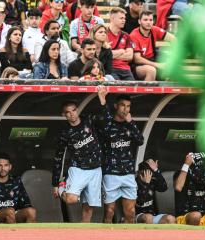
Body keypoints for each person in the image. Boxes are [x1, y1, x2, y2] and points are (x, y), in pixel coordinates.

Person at [52, 87, 107, 222]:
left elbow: (106, 120)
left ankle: (84, 232)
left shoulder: (89, 120)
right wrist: (55, 183)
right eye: (68, 112)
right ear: (63, 115)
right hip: (78, 169)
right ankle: (61, 188)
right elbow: (58, 157)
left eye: (74, 110)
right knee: (71, 199)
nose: (72, 114)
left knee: (89, 207)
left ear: (77, 110)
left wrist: (102, 100)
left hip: (95, 169)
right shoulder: (65, 132)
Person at [98, 87, 144, 223]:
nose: (126, 109)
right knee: (109, 211)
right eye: (123, 105)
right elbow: (104, 118)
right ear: (116, 106)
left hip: (128, 173)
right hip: (111, 173)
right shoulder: (108, 123)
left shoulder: (130, 125)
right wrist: (102, 100)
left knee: (130, 212)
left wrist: (131, 123)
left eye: (128, 106)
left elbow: (140, 140)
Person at [0, 152, 36, 223]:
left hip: (14, 213)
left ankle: (29, 234)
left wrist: (24, 211)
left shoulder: (16, 180)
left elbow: (26, 203)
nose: (3, 168)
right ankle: (13, 233)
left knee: (31, 211)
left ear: (10, 167)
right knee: (9, 212)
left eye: (6, 165)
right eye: (0, 165)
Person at [130, 10, 175, 81]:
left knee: (173, 67)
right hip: (138, 66)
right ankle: (147, 92)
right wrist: (157, 65)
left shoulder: (154, 29)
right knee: (151, 70)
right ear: (139, 21)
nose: (148, 22)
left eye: (150, 20)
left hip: (152, 59)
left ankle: (169, 92)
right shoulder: (134, 35)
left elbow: (173, 39)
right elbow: (137, 59)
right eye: (145, 20)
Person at [135, 159, 176, 224]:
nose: (146, 176)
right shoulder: (134, 184)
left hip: (152, 215)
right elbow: (140, 202)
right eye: (143, 173)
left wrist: (156, 170)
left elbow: (164, 188)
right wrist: (146, 184)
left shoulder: (152, 182)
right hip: (138, 216)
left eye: (149, 173)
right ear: (138, 173)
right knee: (148, 217)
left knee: (170, 219)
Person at [107, 7, 134, 80]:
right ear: (112, 18)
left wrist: (112, 54)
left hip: (126, 70)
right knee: (117, 89)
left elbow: (130, 56)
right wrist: (121, 51)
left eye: (124, 18)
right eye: (121, 18)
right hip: (111, 69)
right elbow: (103, 55)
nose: (124, 20)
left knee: (134, 90)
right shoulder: (103, 33)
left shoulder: (126, 35)